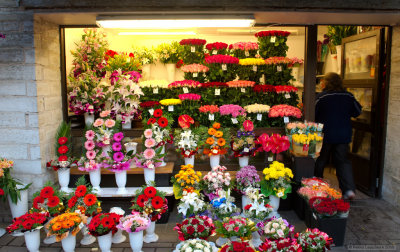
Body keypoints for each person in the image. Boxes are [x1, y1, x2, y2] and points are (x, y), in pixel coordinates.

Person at [315, 72, 362, 200]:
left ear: (326, 83)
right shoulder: (349, 96)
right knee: (342, 161)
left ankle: (317, 188)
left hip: (326, 134)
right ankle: (349, 190)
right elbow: (357, 111)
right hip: (343, 134)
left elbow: (313, 114)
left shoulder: (321, 97)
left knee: (321, 160)